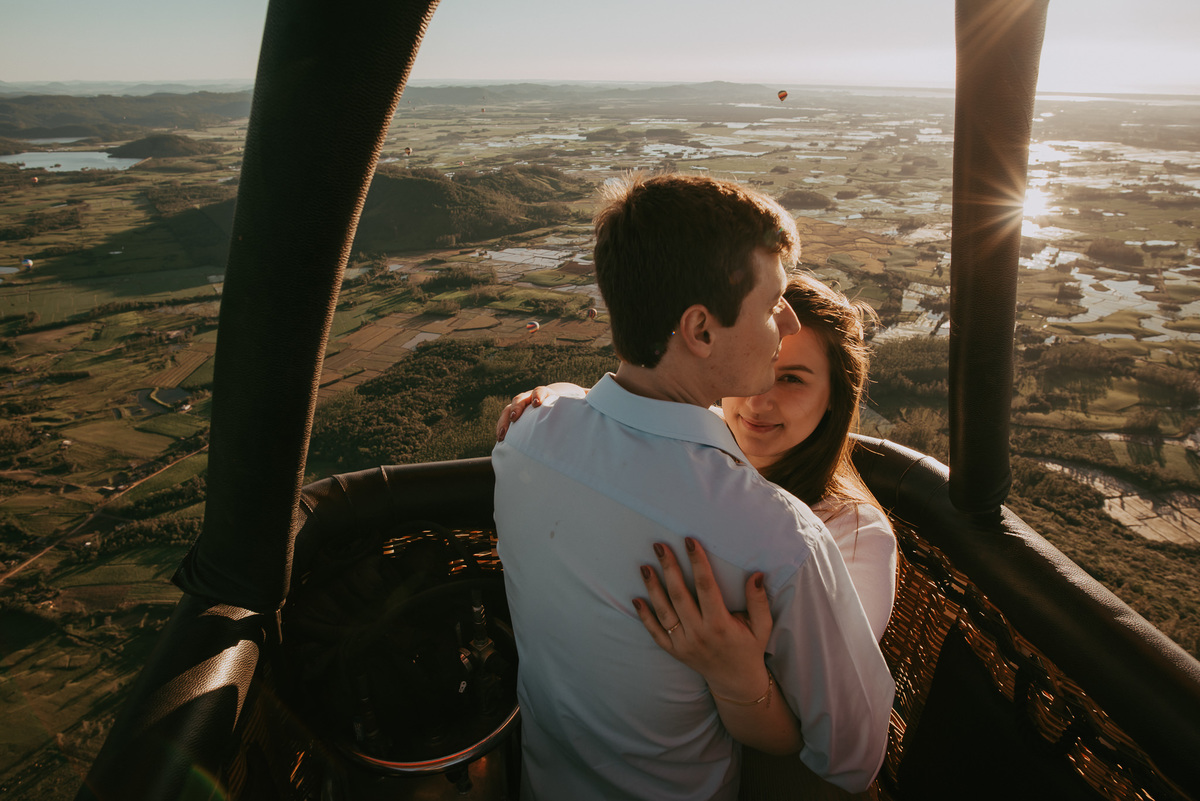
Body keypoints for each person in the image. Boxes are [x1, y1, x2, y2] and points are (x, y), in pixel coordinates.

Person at [492, 173, 894, 801]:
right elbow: (853, 755)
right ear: (701, 330)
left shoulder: (525, 436)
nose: (786, 321)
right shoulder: (779, 543)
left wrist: (559, 398)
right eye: (772, 304)